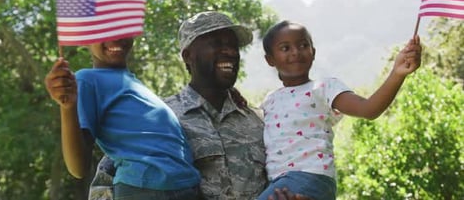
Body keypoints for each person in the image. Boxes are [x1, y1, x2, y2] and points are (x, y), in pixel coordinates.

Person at [89, 12, 309, 200]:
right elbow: (104, 186)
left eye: (233, 46)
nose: (230, 51)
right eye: (217, 43)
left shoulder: (260, 121)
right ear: (188, 55)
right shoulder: (155, 118)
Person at [256, 20, 422, 200]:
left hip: (309, 177)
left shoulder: (324, 87)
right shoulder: (269, 100)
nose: (296, 52)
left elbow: (369, 109)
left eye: (303, 45)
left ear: (313, 52)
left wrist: (397, 74)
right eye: (285, 48)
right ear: (270, 59)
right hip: (280, 183)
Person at [44, 35, 201, 200]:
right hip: (146, 189)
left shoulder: (131, 82)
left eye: (122, 28)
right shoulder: (86, 80)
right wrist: (67, 107)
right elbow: (78, 167)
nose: (116, 37)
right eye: (104, 30)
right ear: (86, 39)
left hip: (184, 186)